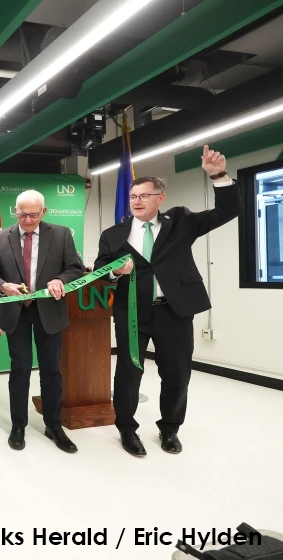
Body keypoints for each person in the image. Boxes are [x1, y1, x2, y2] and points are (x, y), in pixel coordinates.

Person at [94, 145, 239, 457]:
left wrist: (219, 176)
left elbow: (227, 212)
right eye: (133, 196)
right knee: (128, 374)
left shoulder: (181, 222)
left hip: (175, 311)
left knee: (176, 374)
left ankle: (170, 428)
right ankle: (127, 429)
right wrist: (114, 272)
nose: (136, 201)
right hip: (132, 312)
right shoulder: (113, 234)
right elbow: (99, 271)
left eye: (144, 195)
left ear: (160, 198)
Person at [0, 190, 84, 453]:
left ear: (44, 212)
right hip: (16, 312)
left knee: (52, 371)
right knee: (20, 370)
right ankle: (19, 426)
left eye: (33, 214)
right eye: (22, 214)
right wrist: (3, 286)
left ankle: (54, 425)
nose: (27, 220)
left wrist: (60, 280)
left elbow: (75, 267)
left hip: (49, 312)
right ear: (14, 212)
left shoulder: (61, 235)